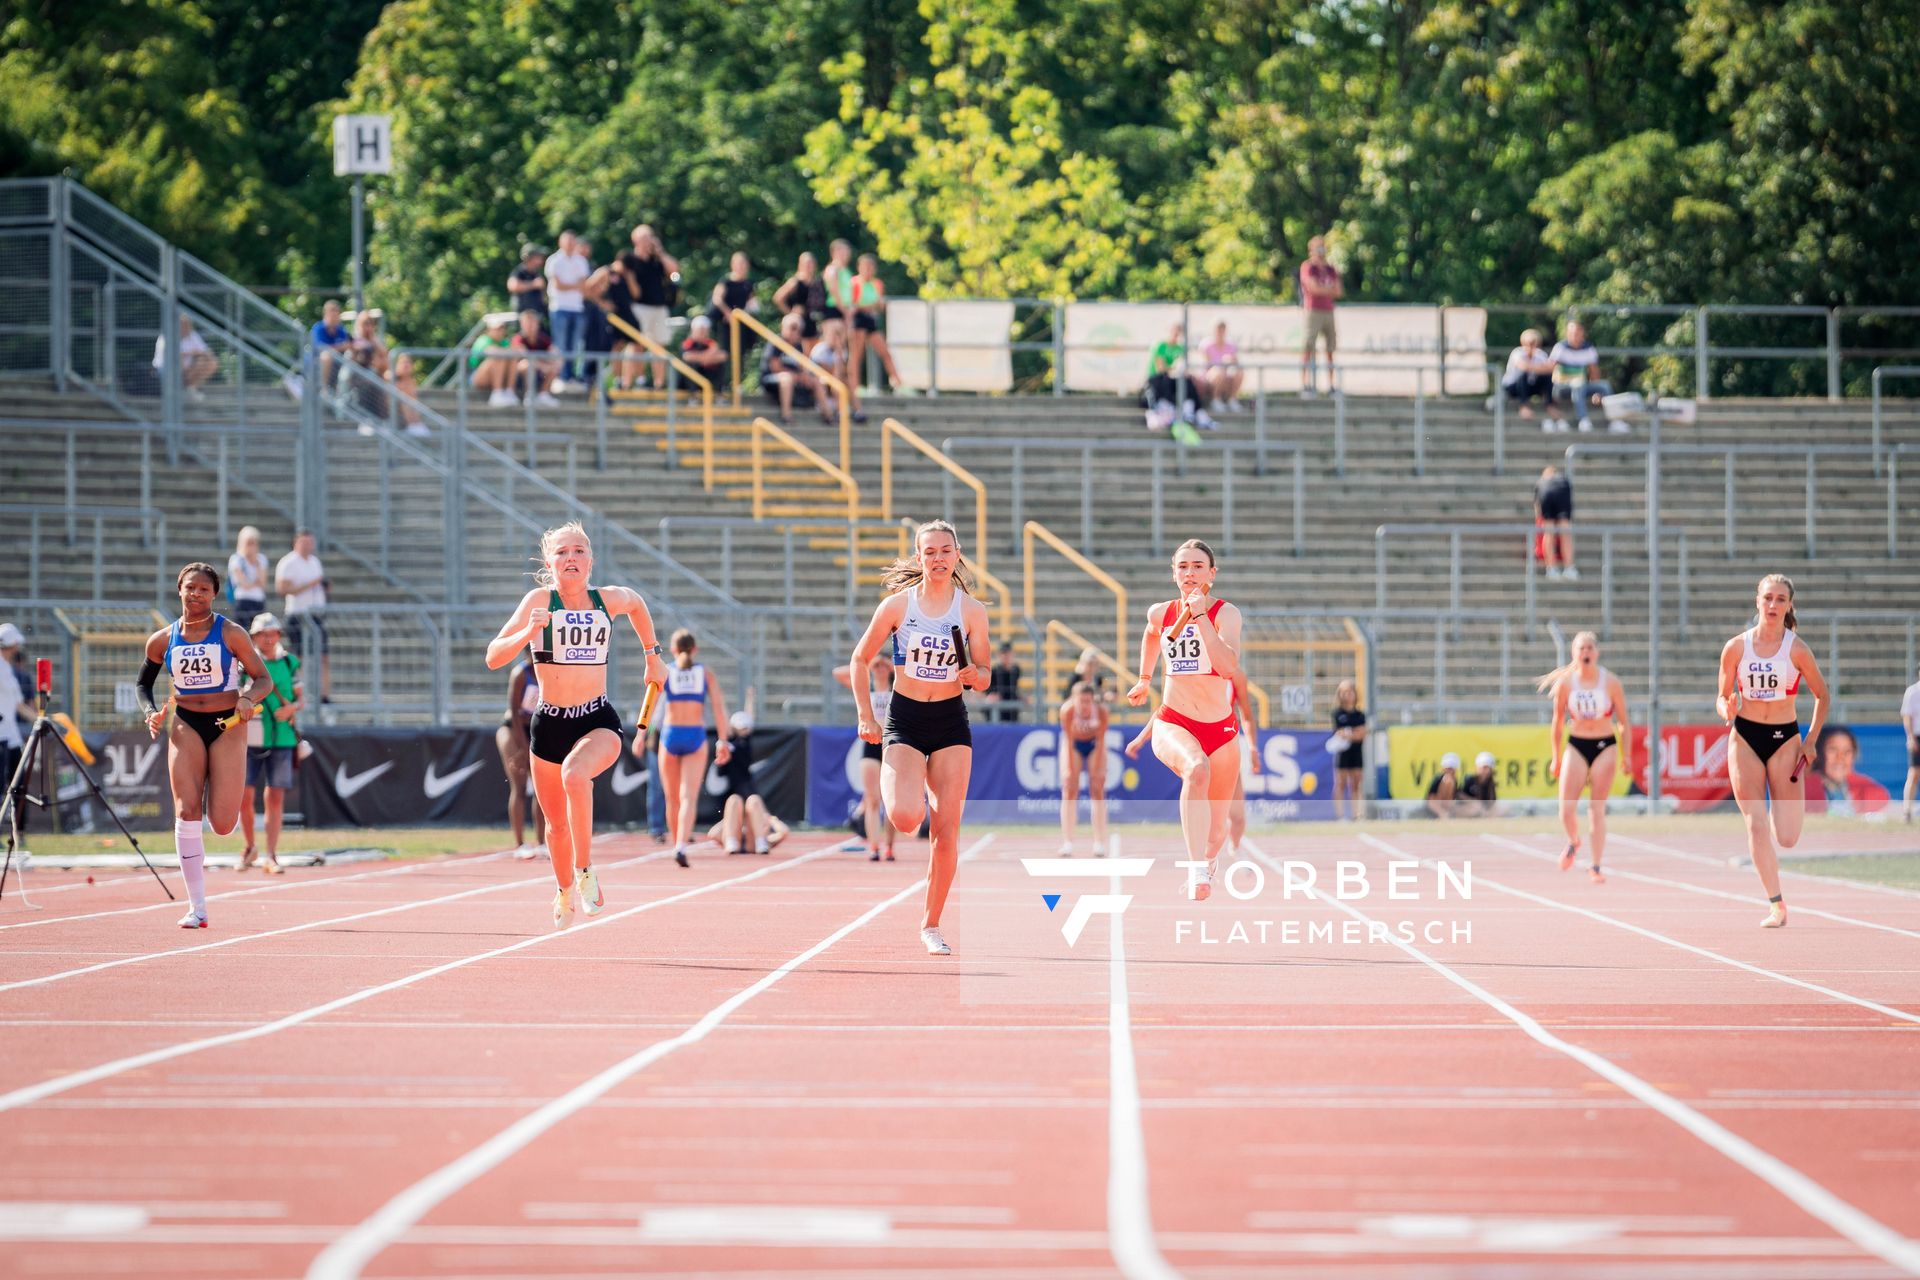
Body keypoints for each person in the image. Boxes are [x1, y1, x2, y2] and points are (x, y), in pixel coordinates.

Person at [486, 522, 669, 929]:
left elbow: (637, 603)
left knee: (575, 776)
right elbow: (493, 657)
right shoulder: (538, 599)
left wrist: (653, 655)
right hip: (549, 723)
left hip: (596, 719)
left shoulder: (607, 600)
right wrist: (528, 632)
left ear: (590, 561)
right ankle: (564, 887)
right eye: (562, 552)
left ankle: (585, 871)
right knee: (554, 826)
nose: (571, 558)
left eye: (579, 551)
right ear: (549, 563)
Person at [849, 519, 992, 954]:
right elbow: (859, 659)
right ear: (918, 557)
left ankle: (931, 925)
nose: (938, 559)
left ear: (957, 554)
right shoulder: (897, 607)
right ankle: (919, 797)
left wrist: (975, 674)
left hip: (951, 723)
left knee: (946, 834)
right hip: (906, 722)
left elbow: (985, 676)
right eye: (929, 552)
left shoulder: (971, 611)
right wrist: (865, 717)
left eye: (945, 551)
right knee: (907, 819)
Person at [137, 563, 272, 928]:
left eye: (203, 589)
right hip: (185, 723)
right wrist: (150, 711)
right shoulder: (162, 640)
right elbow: (143, 683)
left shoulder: (231, 633)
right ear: (179, 589)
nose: (195, 594)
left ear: (214, 595)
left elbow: (264, 680)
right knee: (186, 810)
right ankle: (197, 907)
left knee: (224, 823)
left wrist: (246, 698)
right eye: (190, 587)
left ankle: (218, 794)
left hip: (227, 724)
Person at [1125, 538, 1243, 900]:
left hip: (1220, 730)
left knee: (1217, 830)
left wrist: (1201, 616)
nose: (1189, 573)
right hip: (1173, 720)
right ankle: (1195, 870)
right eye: (1183, 566)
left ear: (1212, 573)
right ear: (1174, 573)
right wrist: (1144, 679)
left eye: (1197, 566)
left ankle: (1207, 858)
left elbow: (1227, 668)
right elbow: (1150, 634)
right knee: (1196, 770)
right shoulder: (1161, 613)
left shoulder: (1226, 614)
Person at [1716, 573, 1831, 928]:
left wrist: (1810, 740)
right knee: (1755, 824)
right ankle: (1776, 904)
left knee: (1788, 837)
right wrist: (1727, 708)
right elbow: (1721, 696)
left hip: (1785, 740)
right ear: (1757, 601)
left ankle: (1776, 875)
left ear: (1789, 605)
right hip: (1746, 736)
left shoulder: (1796, 649)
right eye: (1768, 598)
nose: (1773, 605)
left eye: (1780, 599)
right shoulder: (1736, 647)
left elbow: (1822, 696)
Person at [1538, 631, 1629, 882]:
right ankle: (1573, 840)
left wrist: (1627, 755)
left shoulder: (1610, 682)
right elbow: (1557, 723)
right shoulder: (1566, 684)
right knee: (1566, 809)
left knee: (1595, 809)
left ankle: (1596, 865)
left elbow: (1623, 722)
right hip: (1576, 744)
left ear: (1596, 652)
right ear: (1574, 654)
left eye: (1590, 648)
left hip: (1605, 745)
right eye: (1581, 648)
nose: (1586, 652)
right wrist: (1555, 757)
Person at [658, 628, 732, 867]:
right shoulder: (705, 673)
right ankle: (681, 844)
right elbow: (719, 709)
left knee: (672, 798)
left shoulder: (666, 671)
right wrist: (723, 740)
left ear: (673, 650)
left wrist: (641, 734)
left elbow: (649, 705)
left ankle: (675, 845)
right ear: (695, 650)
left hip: (670, 734)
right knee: (688, 796)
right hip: (695, 735)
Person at [236, 613, 301, 874]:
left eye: (273, 633)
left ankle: (272, 854)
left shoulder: (289, 662)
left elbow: (300, 697)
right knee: (245, 795)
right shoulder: (245, 663)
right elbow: (237, 693)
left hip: (282, 737)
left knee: (275, 795)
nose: (269, 637)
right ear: (254, 637)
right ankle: (250, 846)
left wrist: (292, 709)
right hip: (250, 737)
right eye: (263, 633)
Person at [705, 695, 788, 855]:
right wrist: (733, 820)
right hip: (731, 787)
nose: (743, 729)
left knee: (752, 801)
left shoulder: (745, 741)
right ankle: (733, 843)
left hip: (745, 786)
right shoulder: (728, 739)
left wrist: (767, 818)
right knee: (735, 801)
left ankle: (759, 842)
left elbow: (784, 833)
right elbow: (713, 834)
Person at [835, 655, 898, 861]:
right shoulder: (866, 690)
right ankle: (874, 847)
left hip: (892, 745)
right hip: (870, 745)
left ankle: (889, 846)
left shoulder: (898, 687)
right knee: (872, 799)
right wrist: (870, 664)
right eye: (877, 666)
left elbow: (908, 674)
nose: (880, 669)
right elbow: (839, 674)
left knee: (891, 801)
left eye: (883, 666)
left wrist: (890, 665)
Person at [497, 656, 545, 858]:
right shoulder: (520, 674)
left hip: (535, 729)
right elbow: (515, 714)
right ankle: (519, 844)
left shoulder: (549, 671)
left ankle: (542, 842)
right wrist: (523, 747)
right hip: (513, 729)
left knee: (542, 788)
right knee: (518, 784)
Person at [622, 224, 680, 389]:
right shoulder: (630, 259)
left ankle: (659, 383)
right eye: (645, 237)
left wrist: (660, 252)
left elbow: (675, 273)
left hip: (659, 307)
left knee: (659, 345)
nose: (649, 241)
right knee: (635, 344)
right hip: (639, 307)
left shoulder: (657, 260)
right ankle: (630, 381)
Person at [275, 528, 329, 704]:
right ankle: (296, 693)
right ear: (296, 543)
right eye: (304, 542)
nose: (307, 546)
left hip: (315, 615)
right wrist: (309, 585)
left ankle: (324, 695)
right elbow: (282, 589)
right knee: (298, 656)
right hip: (297, 615)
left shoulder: (314, 562)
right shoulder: (288, 563)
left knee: (323, 655)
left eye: (310, 543)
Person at [1058, 681, 1110, 856]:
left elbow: (1101, 741)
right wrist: (1071, 773)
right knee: (1070, 788)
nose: (1085, 706)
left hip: (1095, 744)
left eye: (1088, 701)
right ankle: (1068, 842)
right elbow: (1069, 740)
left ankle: (1099, 842)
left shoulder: (1101, 712)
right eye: (1082, 701)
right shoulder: (1067, 711)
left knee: (1097, 788)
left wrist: (1096, 773)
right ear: (1074, 700)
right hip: (1074, 744)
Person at [1548, 320, 1624, 434]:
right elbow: (1549, 369)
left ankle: (1614, 420)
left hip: (1581, 385)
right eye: (1573, 333)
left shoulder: (1588, 348)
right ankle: (1583, 419)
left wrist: (1596, 393)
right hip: (1562, 386)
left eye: (1578, 333)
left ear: (1583, 333)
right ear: (1567, 334)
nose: (1576, 336)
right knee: (1578, 385)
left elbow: (1594, 372)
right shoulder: (1560, 348)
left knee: (1604, 386)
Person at [845, 252, 902, 399]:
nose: (868, 270)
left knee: (885, 352)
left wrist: (872, 305)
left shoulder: (877, 284)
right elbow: (853, 305)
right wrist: (870, 305)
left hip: (871, 320)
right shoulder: (854, 283)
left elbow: (879, 305)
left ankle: (898, 383)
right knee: (857, 355)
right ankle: (855, 387)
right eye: (866, 267)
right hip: (858, 321)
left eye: (871, 267)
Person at [1808, 726, 1891, 817]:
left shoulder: (1861, 786)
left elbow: (1883, 797)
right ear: (1818, 754)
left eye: (1847, 751)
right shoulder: (1804, 787)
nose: (1840, 757)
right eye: (1833, 750)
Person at [546, 232, 592, 390]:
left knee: (574, 345)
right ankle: (560, 376)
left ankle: (570, 375)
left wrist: (569, 285)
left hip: (577, 308)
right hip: (559, 308)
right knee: (560, 345)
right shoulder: (554, 261)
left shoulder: (581, 261)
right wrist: (575, 286)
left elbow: (583, 284)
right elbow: (558, 285)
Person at [1298, 235, 1342, 396]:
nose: (1321, 251)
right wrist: (1327, 290)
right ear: (1311, 250)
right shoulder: (1308, 267)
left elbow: (1338, 291)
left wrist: (1325, 290)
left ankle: (1331, 386)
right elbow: (1313, 288)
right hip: (1313, 310)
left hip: (1328, 311)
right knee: (1308, 347)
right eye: (1318, 247)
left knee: (1330, 349)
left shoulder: (1331, 268)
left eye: (1322, 247)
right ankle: (1305, 385)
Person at [761, 311, 818, 425]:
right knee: (787, 378)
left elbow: (801, 367)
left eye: (797, 329)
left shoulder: (798, 346)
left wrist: (804, 376)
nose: (795, 332)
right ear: (783, 327)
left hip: (793, 377)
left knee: (816, 381)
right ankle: (786, 415)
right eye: (792, 328)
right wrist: (796, 376)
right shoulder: (776, 342)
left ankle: (828, 415)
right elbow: (775, 367)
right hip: (771, 378)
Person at [153, 313, 218, 398]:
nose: (187, 328)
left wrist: (199, 354)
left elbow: (206, 351)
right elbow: (170, 355)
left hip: (187, 370)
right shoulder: (166, 336)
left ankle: (190, 388)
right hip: (165, 370)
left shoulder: (192, 335)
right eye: (184, 325)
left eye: (188, 325)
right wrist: (189, 353)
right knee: (179, 358)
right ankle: (180, 391)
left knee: (210, 362)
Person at [1329, 678, 1367, 821]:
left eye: (1350, 692)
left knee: (1356, 784)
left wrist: (1349, 733)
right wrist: (1354, 733)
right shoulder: (1337, 713)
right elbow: (1339, 733)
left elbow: (1362, 733)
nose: (1348, 695)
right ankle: (1340, 815)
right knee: (1340, 783)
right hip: (1342, 754)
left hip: (1356, 753)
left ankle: (1356, 814)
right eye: (1344, 692)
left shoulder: (1360, 715)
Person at [706, 251, 758, 353]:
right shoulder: (726, 281)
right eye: (739, 264)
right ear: (733, 265)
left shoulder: (747, 284)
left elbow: (751, 305)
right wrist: (728, 313)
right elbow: (717, 299)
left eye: (744, 264)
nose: (742, 267)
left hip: (738, 321)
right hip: (723, 321)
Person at [511, 309, 562, 408]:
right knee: (526, 364)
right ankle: (529, 394)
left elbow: (555, 353)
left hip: (538, 372)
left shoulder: (543, 339)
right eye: (527, 322)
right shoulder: (518, 339)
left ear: (537, 324)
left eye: (532, 322)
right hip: (519, 377)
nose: (530, 326)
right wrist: (543, 366)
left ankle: (543, 394)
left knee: (556, 364)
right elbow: (526, 356)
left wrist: (552, 363)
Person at [1535, 465, 1578, 582]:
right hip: (1562, 490)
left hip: (1545, 492)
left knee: (1548, 533)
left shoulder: (1541, 481)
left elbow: (1538, 511)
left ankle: (1551, 569)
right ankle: (1569, 568)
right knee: (1565, 531)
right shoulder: (1562, 479)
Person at [1503, 328, 1556, 422]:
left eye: (1533, 343)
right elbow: (1523, 367)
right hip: (1513, 387)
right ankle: (1523, 407)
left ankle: (1549, 405)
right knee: (1523, 375)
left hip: (1530, 386)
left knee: (1547, 377)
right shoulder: (1517, 353)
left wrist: (1532, 367)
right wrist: (1540, 368)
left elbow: (1550, 369)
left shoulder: (1540, 354)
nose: (1530, 346)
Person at [773, 251, 827, 341]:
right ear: (800, 265)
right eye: (806, 264)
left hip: (812, 320)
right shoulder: (795, 282)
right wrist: (790, 313)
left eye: (810, 263)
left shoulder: (816, 283)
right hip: (798, 324)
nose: (808, 266)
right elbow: (778, 298)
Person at [227, 526, 270, 634]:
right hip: (242, 601)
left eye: (253, 543)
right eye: (248, 543)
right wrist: (255, 582)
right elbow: (243, 583)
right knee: (243, 632)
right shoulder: (236, 559)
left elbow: (263, 583)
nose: (251, 546)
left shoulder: (261, 559)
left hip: (258, 601)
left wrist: (255, 561)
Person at [470, 316, 519, 407]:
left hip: (496, 376)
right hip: (478, 377)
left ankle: (509, 391)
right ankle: (497, 393)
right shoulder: (483, 340)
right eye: (496, 329)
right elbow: (492, 351)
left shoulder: (504, 342)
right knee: (498, 357)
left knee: (512, 358)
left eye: (501, 328)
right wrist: (509, 351)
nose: (499, 331)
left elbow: (516, 352)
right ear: (489, 330)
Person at [810, 317, 850, 424]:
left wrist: (839, 354)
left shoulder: (842, 352)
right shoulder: (819, 349)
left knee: (845, 383)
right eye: (834, 334)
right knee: (831, 382)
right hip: (818, 381)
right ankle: (830, 415)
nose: (836, 337)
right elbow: (824, 371)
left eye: (839, 334)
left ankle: (853, 411)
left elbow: (842, 372)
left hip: (833, 380)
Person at [1201, 322, 1244, 413]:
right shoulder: (1207, 345)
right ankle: (1215, 399)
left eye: (1222, 330)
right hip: (1211, 375)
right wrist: (1222, 363)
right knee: (1219, 372)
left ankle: (1232, 399)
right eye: (1218, 330)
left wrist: (1231, 360)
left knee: (1239, 372)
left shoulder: (1230, 345)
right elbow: (1207, 364)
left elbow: (1236, 362)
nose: (1220, 333)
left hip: (1227, 373)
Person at [0, 622, 23, 793]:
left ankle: (18, 820)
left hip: (11, 735)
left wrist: (42, 719)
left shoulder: (8, 668)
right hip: (1, 737)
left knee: (18, 787)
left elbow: (19, 705)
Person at [311, 300, 353, 392]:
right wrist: (340, 347)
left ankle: (343, 389)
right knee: (326, 356)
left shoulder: (341, 330)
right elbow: (321, 348)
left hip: (338, 362)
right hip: (318, 362)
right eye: (332, 314)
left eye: (337, 314)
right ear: (326, 314)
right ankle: (323, 389)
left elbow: (348, 346)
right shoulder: (319, 328)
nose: (335, 318)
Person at [387, 352, 429, 435]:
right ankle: (413, 426)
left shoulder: (412, 381)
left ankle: (416, 426)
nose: (406, 365)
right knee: (405, 402)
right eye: (403, 362)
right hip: (395, 413)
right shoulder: (392, 378)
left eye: (408, 362)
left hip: (411, 415)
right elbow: (387, 376)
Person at [506, 243, 548, 320]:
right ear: (529, 257)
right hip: (523, 316)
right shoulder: (520, 271)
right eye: (538, 256)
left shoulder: (537, 273)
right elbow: (512, 286)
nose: (541, 258)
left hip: (537, 314)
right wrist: (533, 284)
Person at [985, 640, 1022, 722]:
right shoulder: (993, 671)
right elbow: (984, 693)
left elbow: (1012, 691)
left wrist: (1020, 697)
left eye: (1008, 653)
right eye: (1003, 653)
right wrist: (989, 696)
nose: (1005, 656)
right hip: (996, 713)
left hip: (1011, 713)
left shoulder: (1016, 671)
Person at [1458, 751, 1500, 817]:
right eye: (1484, 767)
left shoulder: (1490, 784)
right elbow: (1459, 794)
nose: (1485, 771)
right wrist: (1472, 801)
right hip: (1465, 808)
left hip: (1482, 811)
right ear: (1478, 767)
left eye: (1487, 768)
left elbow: (1492, 802)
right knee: (1475, 807)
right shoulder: (1469, 779)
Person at [1904, 664, 1920, 823]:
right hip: (1917, 735)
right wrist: (1910, 737)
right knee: (1914, 773)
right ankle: (1907, 811)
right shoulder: (1912, 692)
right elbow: (1907, 716)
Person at [1425, 752, 1462, 819]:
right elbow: (1430, 799)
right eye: (1447, 768)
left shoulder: (1455, 780)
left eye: (1451, 768)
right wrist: (1441, 811)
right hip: (1435, 807)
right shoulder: (1438, 779)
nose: (1449, 771)